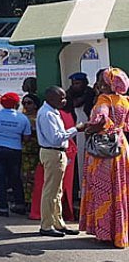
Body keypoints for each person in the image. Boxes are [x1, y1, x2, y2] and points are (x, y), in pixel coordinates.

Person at [36, 86, 95, 237]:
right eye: (61, 98)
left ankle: (58, 222)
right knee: (50, 191)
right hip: (52, 152)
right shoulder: (47, 114)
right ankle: (46, 225)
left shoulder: (53, 112)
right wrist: (77, 129)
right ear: (50, 98)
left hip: (57, 153)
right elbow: (56, 138)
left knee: (57, 191)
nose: (64, 101)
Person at [80, 67, 129, 248]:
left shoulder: (104, 99)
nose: (99, 83)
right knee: (120, 188)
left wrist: (89, 128)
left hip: (104, 150)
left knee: (103, 189)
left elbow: (101, 120)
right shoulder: (125, 101)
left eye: (102, 80)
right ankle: (120, 233)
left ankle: (105, 233)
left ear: (108, 83)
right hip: (121, 146)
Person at [0, 92, 31, 216]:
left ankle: (3, 208)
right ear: (17, 104)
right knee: (15, 177)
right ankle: (19, 205)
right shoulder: (22, 118)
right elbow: (26, 138)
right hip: (14, 150)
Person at [64, 72, 96, 188]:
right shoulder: (68, 95)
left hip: (88, 129)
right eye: (73, 83)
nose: (75, 86)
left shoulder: (90, 94)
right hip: (74, 129)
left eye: (78, 83)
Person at [20, 93, 40, 207]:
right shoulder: (21, 117)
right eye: (24, 103)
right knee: (24, 178)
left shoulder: (38, 118)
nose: (26, 106)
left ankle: (32, 202)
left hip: (35, 151)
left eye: (29, 103)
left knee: (32, 178)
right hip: (23, 152)